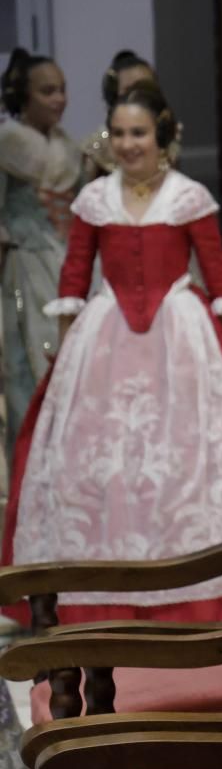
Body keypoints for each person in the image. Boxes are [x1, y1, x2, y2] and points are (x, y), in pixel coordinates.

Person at [2, 81, 222, 626]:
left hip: (181, 334)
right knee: (104, 462)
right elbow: (75, 273)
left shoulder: (187, 196)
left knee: (188, 460)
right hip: (105, 336)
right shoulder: (95, 199)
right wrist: (64, 362)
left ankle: (203, 589)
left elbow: (217, 271)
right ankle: (97, 589)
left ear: (162, 135)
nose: (129, 145)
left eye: (140, 133)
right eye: (120, 134)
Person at [0, 48, 79, 462]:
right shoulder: (6, 146)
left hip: (70, 267)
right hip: (24, 270)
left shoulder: (70, 149)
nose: (59, 99)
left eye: (62, 90)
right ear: (24, 96)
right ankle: (28, 473)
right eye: (48, 91)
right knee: (25, 371)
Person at [83, 49, 180, 176]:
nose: (139, 95)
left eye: (146, 87)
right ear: (113, 96)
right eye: (130, 90)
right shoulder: (98, 145)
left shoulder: (167, 134)